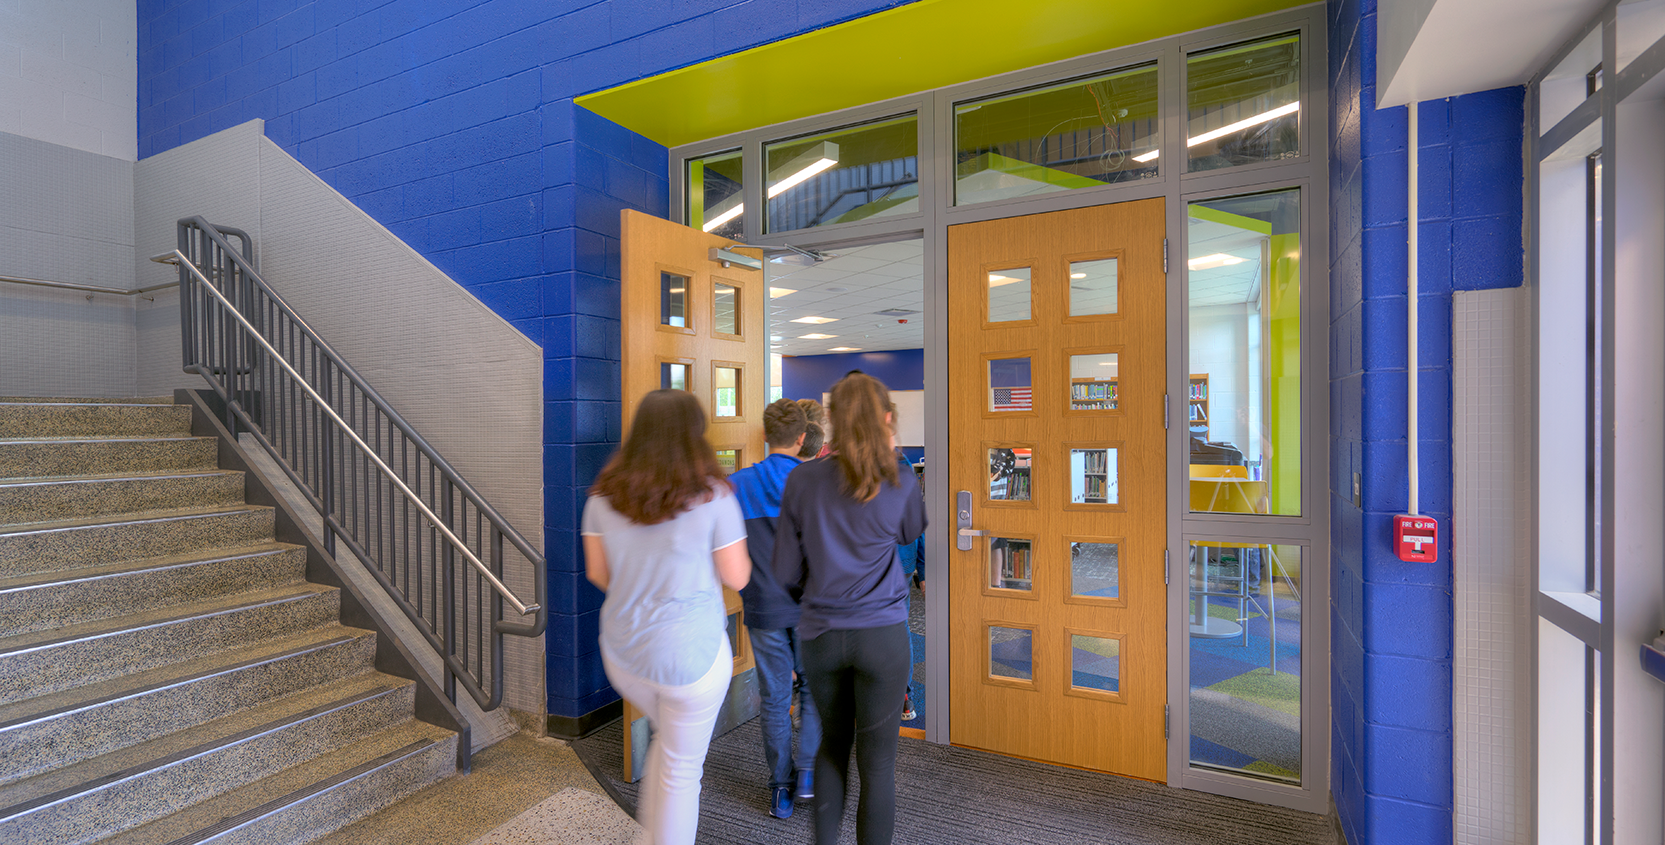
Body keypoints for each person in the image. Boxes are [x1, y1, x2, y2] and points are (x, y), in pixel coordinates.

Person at [582, 389, 750, 845]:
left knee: (668, 743)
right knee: (680, 770)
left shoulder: (602, 497)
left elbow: (599, 573)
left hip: (624, 654)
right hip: (690, 660)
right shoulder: (715, 497)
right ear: (696, 435)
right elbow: (737, 576)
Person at [775, 373, 928, 845]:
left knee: (831, 749)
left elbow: (784, 570)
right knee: (878, 766)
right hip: (882, 637)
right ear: (886, 419)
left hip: (821, 635)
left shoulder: (802, 477)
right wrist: (891, 452)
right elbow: (909, 534)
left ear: (832, 420)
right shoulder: (899, 477)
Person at [729, 398, 822, 819]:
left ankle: (780, 788)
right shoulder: (818, 481)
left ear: (766, 436)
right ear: (803, 438)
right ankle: (806, 773)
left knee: (773, 697)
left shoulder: (738, 484)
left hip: (764, 605)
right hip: (813, 607)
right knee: (814, 692)